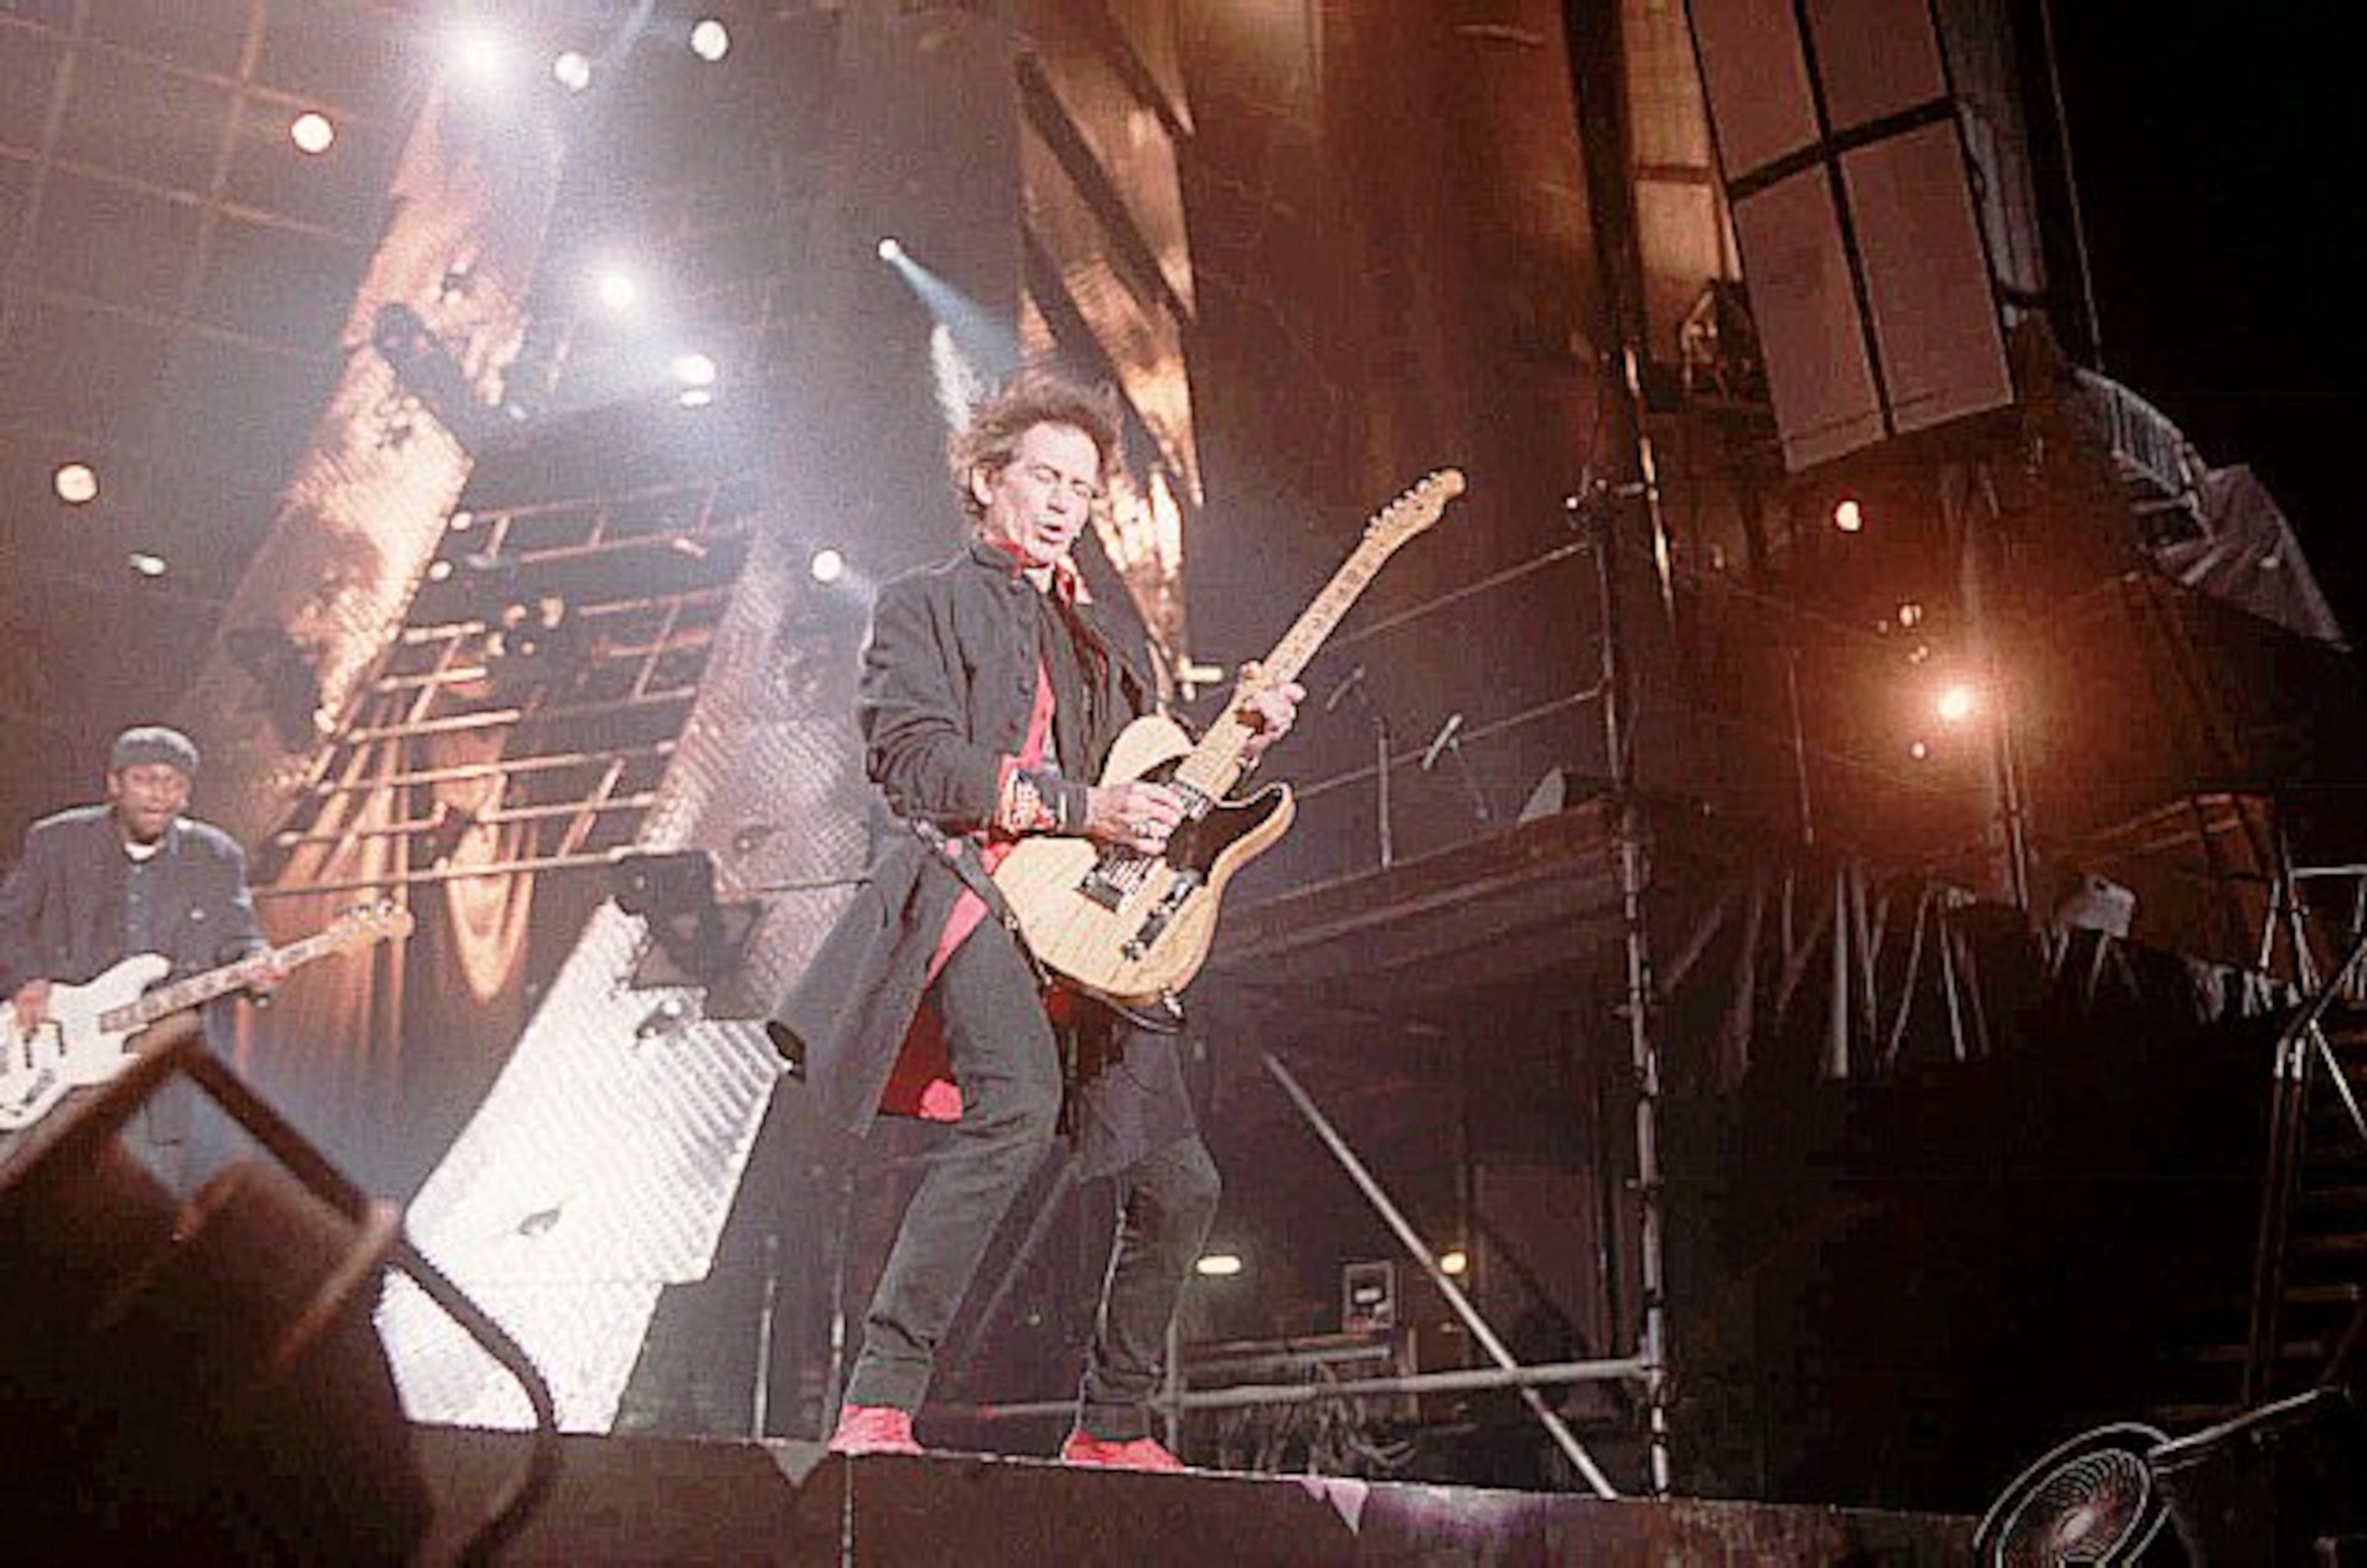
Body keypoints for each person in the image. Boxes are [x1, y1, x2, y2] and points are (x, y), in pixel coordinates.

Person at [767, 370, 1303, 1470]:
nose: (1067, 501)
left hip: (1094, 928)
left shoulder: (1103, 640)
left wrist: (1241, 735)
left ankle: (1110, 1425)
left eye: (1084, 485)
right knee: (1015, 1107)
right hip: (975, 893)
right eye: (1046, 476)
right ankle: (877, 1403)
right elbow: (911, 762)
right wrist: (1077, 806)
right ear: (987, 478)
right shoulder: (924, 602)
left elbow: (1161, 786)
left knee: (1179, 1178)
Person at [0, 725, 278, 1172]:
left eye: (174, 783)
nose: (159, 795)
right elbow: (8, 922)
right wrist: (27, 979)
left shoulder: (214, 855)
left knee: (137, 1210)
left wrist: (256, 965)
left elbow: (238, 938)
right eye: (145, 779)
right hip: (52, 1065)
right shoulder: (57, 841)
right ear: (115, 785)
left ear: (187, 795)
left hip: (155, 1082)